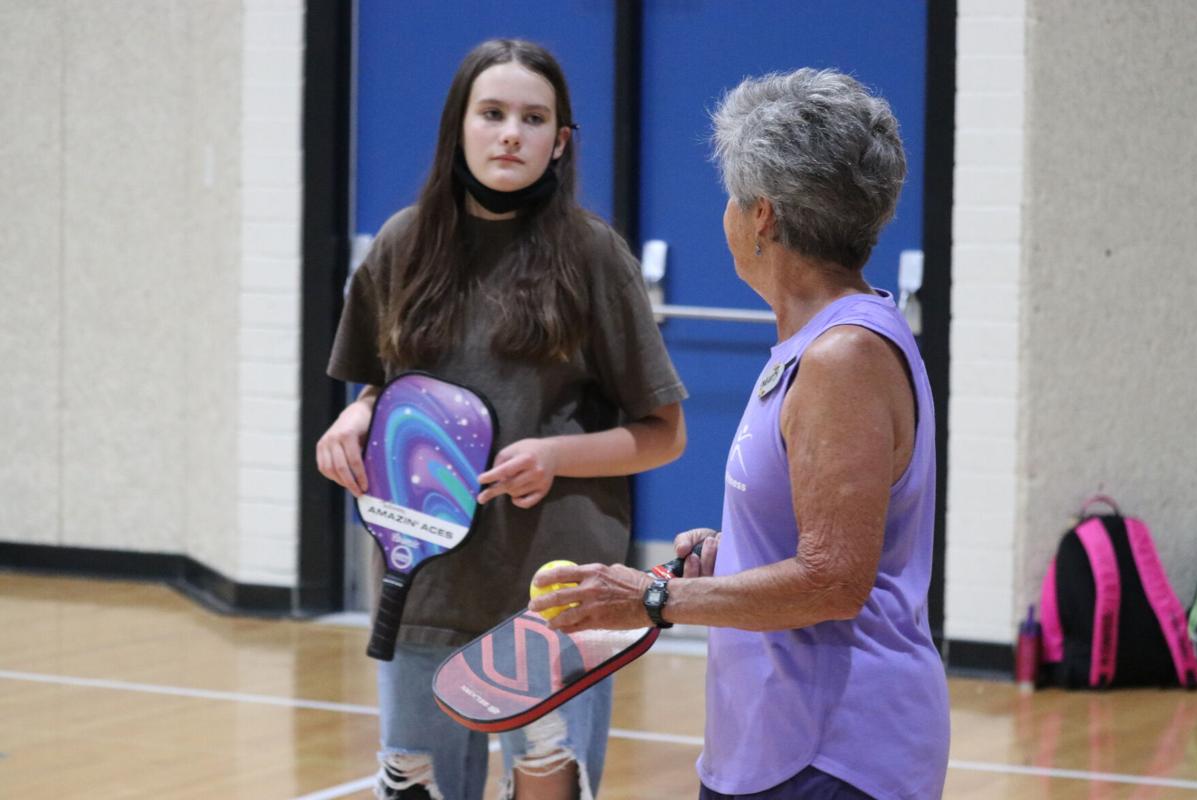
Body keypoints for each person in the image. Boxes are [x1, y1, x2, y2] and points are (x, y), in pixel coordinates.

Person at [529, 68, 950, 799]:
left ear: (762, 216)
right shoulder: (814, 345)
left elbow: (834, 581)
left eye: (731, 198)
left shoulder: (843, 356)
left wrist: (652, 600)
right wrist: (735, 556)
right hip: (773, 740)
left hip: (834, 753)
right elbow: (833, 543)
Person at [316, 39, 688, 800]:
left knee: (545, 785)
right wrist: (354, 417)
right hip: (423, 584)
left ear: (561, 142)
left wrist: (555, 456)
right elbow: (389, 390)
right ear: (460, 128)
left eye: (533, 117)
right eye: (492, 114)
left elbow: (664, 432)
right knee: (413, 786)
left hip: (552, 593)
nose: (511, 133)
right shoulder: (400, 246)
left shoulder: (592, 256)